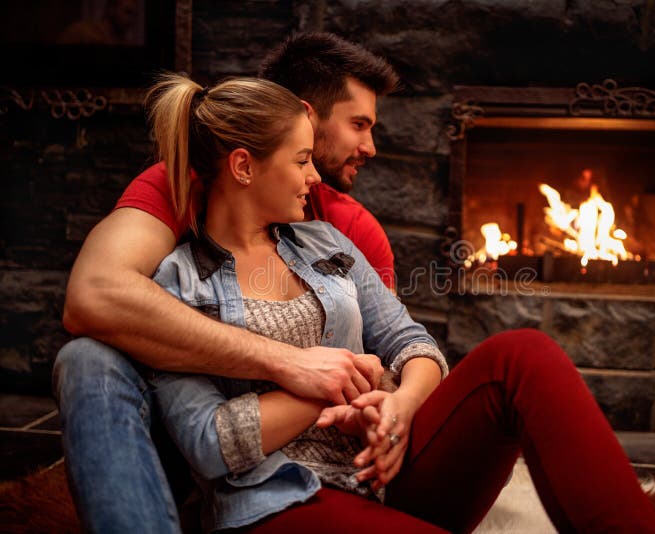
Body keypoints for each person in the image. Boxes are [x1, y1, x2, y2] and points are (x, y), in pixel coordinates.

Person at [54, 32, 399, 533]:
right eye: (358, 125)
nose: (370, 146)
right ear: (305, 111)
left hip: (337, 455)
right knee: (87, 358)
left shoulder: (348, 230)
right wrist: (290, 363)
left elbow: (394, 349)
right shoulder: (179, 185)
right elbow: (93, 296)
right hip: (203, 441)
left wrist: (396, 404)